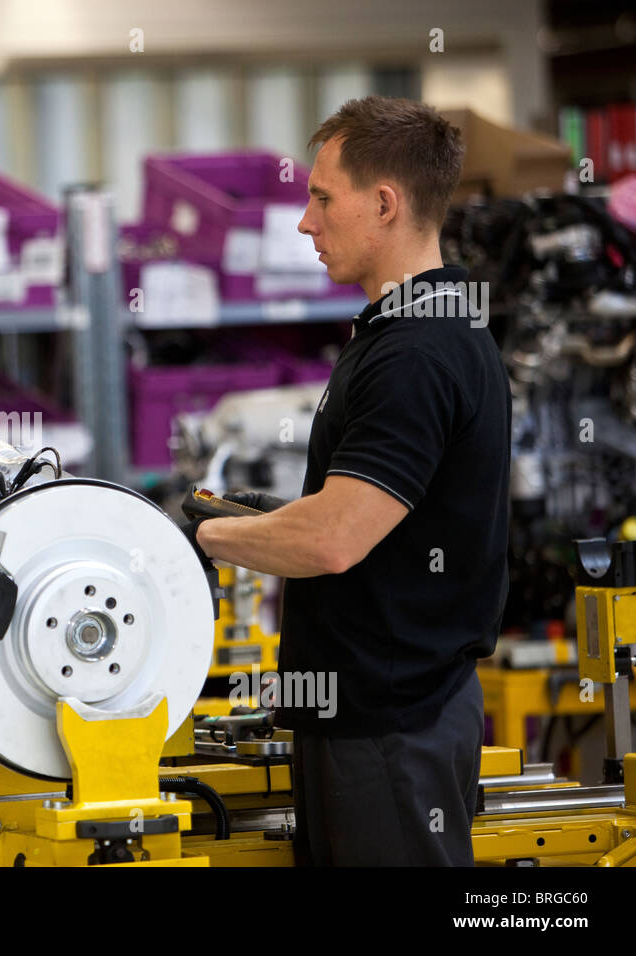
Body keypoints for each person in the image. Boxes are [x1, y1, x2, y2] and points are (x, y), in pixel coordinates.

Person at [184, 96, 510, 866]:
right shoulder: (408, 334)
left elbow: (335, 541)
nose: (305, 221)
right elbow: (361, 515)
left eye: (322, 198)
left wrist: (200, 536)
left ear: (385, 204)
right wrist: (263, 517)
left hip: (393, 727)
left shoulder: (417, 354)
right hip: (375, 716)